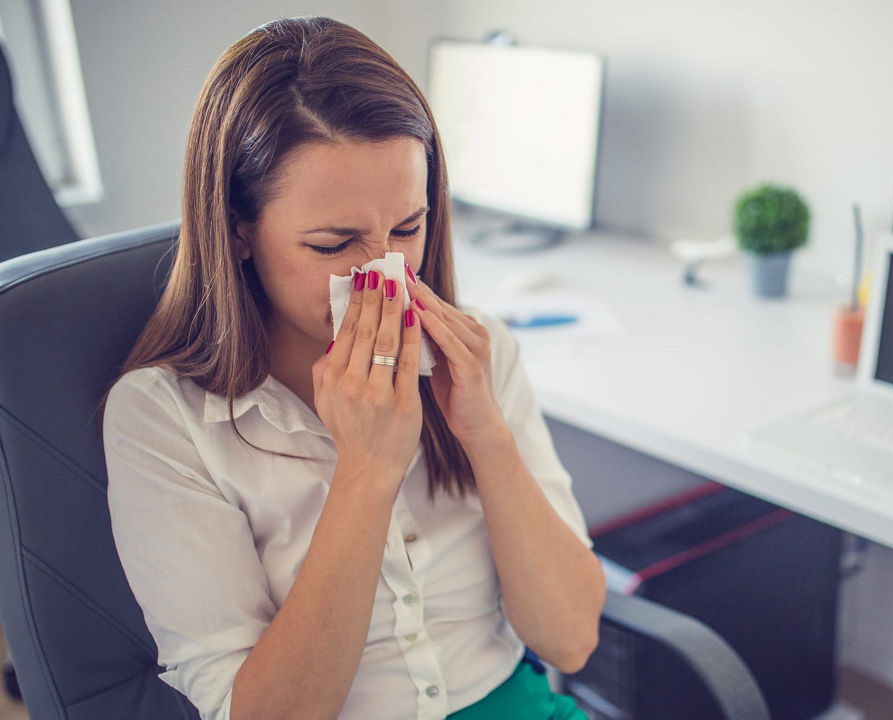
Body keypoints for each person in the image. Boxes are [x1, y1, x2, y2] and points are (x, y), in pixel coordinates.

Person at [103, 17, 605, 720]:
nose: (386, 273)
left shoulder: (478, 352)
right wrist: (367, 473)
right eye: (335, 243)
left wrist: (487, 436)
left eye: (408, 228)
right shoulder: (162, 418)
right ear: (238, 229)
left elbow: (571, 640)